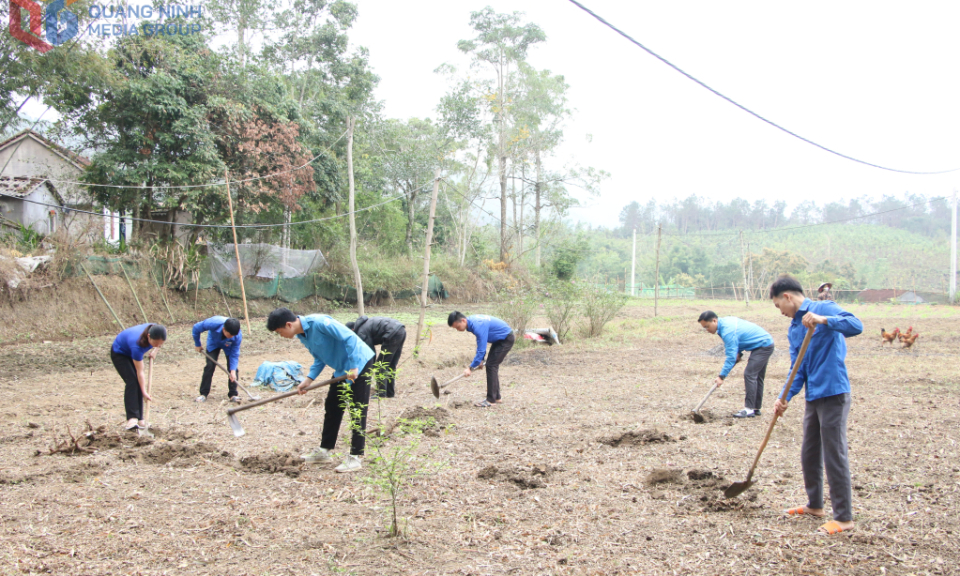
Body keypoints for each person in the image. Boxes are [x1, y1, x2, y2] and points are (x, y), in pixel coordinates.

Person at [770, 275, 862, 535]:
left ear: (787, 297)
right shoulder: (794, 327)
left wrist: (824, 321)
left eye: (779, 306)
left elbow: (856, 325)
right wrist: (784, 395)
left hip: (834, 392)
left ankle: (844, 518)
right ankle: (815, 505)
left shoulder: (823, 309)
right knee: (810, 452)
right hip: (814, 396)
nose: (781, 312)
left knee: (834, 453)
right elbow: (797, 367)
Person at [267, 308, 374, 473]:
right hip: (342, 369)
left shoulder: (320, 323)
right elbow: (319, 357)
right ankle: (324, 451)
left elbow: (350, 338)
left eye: (279, 332)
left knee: (357, 409)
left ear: (288, 325)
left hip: (359, 363)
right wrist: (308, 380)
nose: (280, 335)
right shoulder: (303, 335)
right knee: (332, 407)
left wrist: (354, 366)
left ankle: (356, 456)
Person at [698, 311, 775, 418]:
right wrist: (738, 353)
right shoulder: (723, 324)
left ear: (714, 320)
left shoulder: (727, 331)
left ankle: (749, 409)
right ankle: (755, 408)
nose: (707, 330)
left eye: (707, 326)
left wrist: (721, 376)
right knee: (756, 376)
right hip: (764, 342)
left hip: (763, 345)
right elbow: (739, 337)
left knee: (750, 374)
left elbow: (731, 357)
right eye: (704, 328)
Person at [447, 311, 514, 408]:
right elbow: (481, 342)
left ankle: (491, 400)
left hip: (505, 339)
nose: (457, 330)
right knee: (492, 365)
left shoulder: (477, 325)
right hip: (499, 340)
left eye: (457, 327)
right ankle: (496, 397)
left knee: (491, 366)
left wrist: (470, 367)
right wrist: (480, 360)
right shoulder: (472, 323)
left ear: (463, 320)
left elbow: (481, 350)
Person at [111, 323, 167, 430]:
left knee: (137, 382)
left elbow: (159, 342)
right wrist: (144, 392)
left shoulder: (157, 330)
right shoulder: (136, 345)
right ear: (148, 336)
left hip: (131, 349)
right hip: (120, 353)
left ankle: (140, 419)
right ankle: (132, 418)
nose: (157, 345)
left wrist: (155, 350)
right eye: (155, 343)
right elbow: (140, 372)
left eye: (160, 344)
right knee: (132, 381)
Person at [345, 316, 406, 399]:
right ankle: (389, 393)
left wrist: (369, 368)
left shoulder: (361, 332)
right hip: (401, 330)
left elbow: (370, 352)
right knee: (391, 365)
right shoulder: (365, 325)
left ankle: (381, 394)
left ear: (352, 330)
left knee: (380, 365)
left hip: (392, 333)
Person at [192, 316, 243, 403]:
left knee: (233, 369)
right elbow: (196, 328)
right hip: (214, 343)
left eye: (233, 336)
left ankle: (233, 394)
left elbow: (234, 354)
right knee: (210, 365)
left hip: (229, 346)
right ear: (224, 329)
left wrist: (233, 370)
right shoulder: (213, 322)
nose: (231, 337)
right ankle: (203, 394)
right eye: (230, 335)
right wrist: (197, 344)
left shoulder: (237, 336)